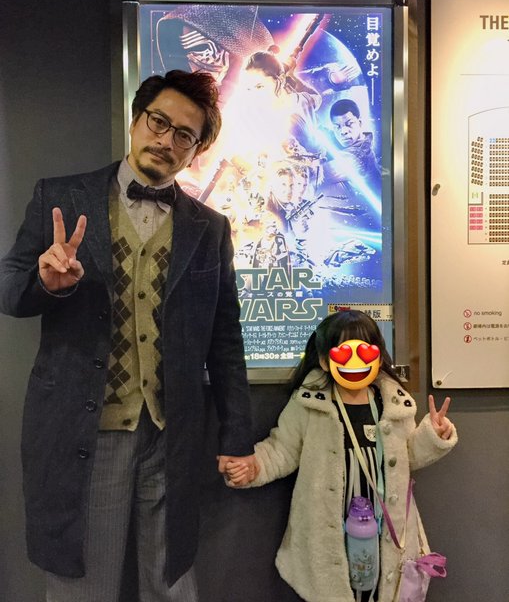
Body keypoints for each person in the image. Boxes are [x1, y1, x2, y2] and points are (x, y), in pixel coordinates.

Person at [0, 69, 257, 602]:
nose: (166, 140)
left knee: (172, 582)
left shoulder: (210, 228)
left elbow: (225, 340)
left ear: (196, 150)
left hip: (173, 434)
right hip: (88, 431)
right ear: (137, 119)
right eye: (158, 122)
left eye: (184, 135)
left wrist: (236, 436)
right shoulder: (61, 197)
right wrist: (46, 284)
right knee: (84, 586)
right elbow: (9, 290)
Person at [226, 310, 457, 602]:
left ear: (378, 357)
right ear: (325, 361)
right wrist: (253, 466)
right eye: (345, 354)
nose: (356, 363)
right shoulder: (310, 404)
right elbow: (282, 449)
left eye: (366, 352)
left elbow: (408, 456)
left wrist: (434, 434)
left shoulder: (393, 404)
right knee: (337, 585)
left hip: (384, 525)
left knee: (380, 587)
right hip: (330, 527)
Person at [329, 98, 380, 182]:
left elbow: (315, 175)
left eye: (349, 124)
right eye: (337, 126)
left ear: (360, 122)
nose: (343, 131)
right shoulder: (364, 142)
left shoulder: (355, 158)